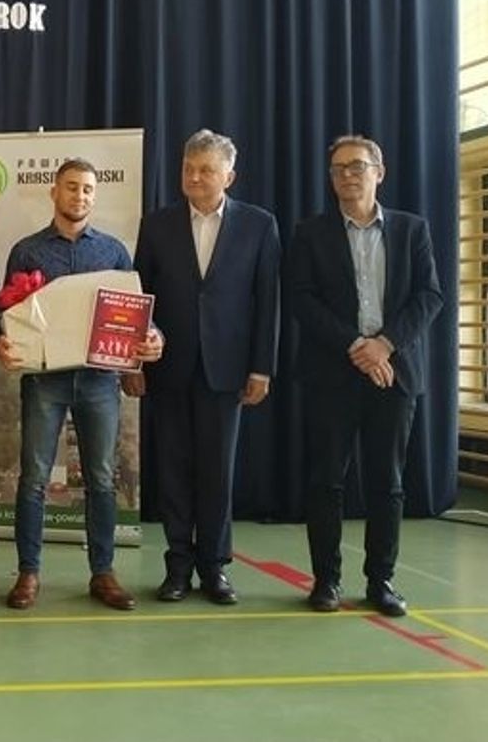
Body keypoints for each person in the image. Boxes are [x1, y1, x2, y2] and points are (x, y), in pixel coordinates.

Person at [0, 159, 164, 611]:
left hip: (99, 381)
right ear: (54, 192)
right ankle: (28, 573)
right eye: (71, 187)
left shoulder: (114, 252)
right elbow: (3, 313)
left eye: (87, 189)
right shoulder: (26, 251)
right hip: (44, 381)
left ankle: (103, 572)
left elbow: (136, 315)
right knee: (33, 478)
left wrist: (151, 339)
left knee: (102, 479)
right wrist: (0, 341)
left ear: (94, 196)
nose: (80, 196)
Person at [288, 134, 442, 617]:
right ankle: (326, 581)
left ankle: (381, 581)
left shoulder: (412, 230)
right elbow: (301, 298)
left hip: (393, 373)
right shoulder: (310, 233)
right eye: (338, 169)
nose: (347, 176)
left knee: (387, 483)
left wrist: (384, 344)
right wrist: (357, 345)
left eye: (356, 166)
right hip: (331, 373)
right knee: (326, 482)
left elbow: (429, 296)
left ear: (380, 172)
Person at [131, 129, 281, 605]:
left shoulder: (259, 225)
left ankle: (215, 567)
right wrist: (135, 358)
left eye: (206, 170)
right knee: (173, 470)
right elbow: (139, 297)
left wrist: (261, 368)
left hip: (228, 368)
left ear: (228, 177)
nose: (194, 177)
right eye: (188, 168)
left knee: (218, 472)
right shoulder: (156, 225)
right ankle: (177, 565)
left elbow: (268, 303)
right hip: (168, 366)